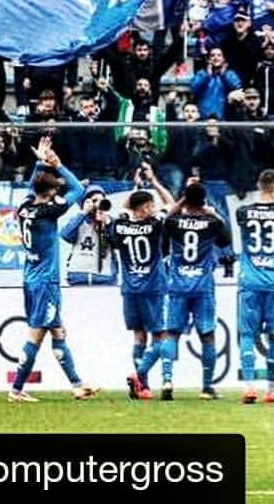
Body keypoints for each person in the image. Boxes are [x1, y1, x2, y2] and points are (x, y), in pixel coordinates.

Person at [8, 135, 100, 402]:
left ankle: (77, 385)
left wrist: (39, 163)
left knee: (57, 330)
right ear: (49, 193)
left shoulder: (25, 206)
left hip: (31, 276)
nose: (58, 192)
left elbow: (32, 185)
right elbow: (78, 191)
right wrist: (58, 165)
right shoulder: (49, 210)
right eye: (54, 189)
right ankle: (16, 389)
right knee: (37, 335)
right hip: (45, 281)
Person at [161, 178, 232, 400]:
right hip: (202, 286)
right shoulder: (212, 223)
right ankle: (207, 387)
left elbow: (168, 218)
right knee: (207, 336)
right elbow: (225, 238)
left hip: (178, 284)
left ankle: (166, 380)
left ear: (184, 201)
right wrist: (208, 211)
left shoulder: (173, 222)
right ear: (203, 201)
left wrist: (183, 199)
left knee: (171, 333)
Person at [108, 162, 174, 400]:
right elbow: (171, 204)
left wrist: (136, 188)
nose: (154, 208)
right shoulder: (154, 225)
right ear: (145, 208)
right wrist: (154, 181)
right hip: (153, 288)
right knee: (161, 337)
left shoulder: (121, 225)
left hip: (129, 289)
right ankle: (139, 374)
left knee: (138, 337)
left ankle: (141, 388)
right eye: (150, 205)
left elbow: (124, 208)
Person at [236, 168, 274, 404]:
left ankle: (249, 386)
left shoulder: (243, 212)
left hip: (250, 281)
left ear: (259, 185)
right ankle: (271, 390)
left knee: (247, 334)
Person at [60, 183, 118, 286]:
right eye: (94, 201)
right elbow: (65, 235)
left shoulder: (111, 221)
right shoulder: (78, 219)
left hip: (104, 277)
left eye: (101, 201)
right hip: (78, 275)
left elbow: (118, 244)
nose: (98, 204)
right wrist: (83, 213)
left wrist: (107, 223)